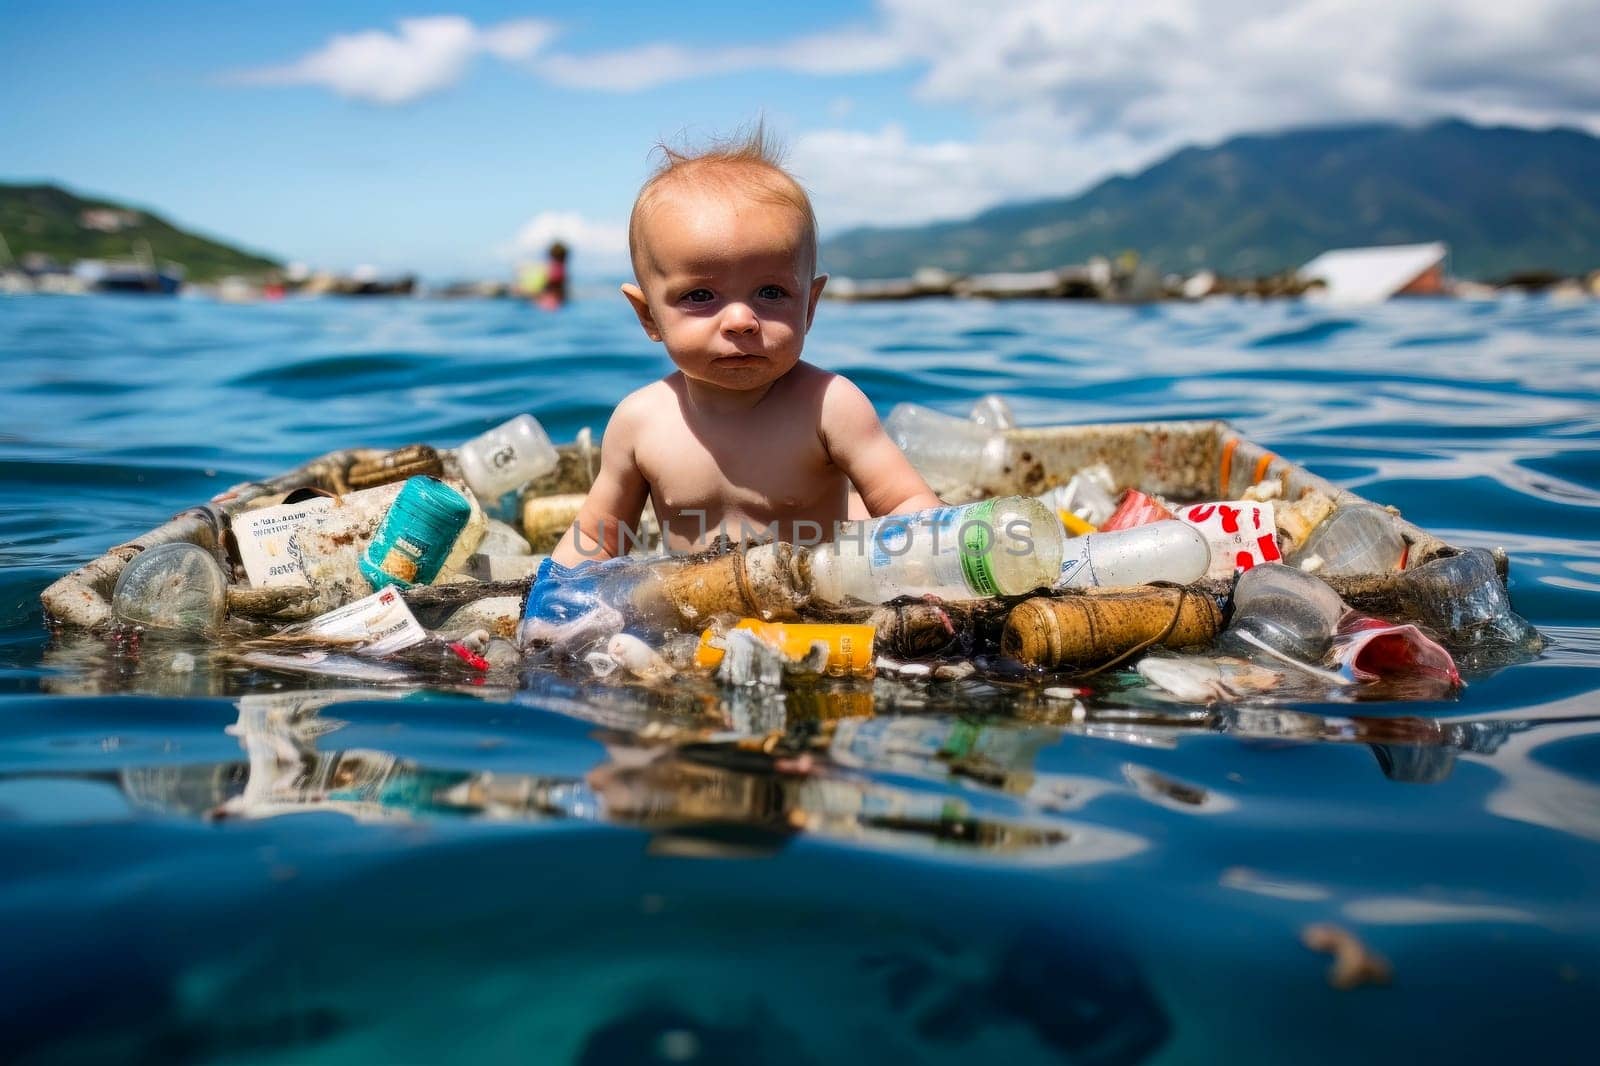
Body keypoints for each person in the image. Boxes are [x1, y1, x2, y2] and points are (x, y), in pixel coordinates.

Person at [551, 131, 939, 566]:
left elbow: (908, 504)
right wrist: (553, 602)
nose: (740, 320)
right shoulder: (640, 422)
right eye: (699, 296)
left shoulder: (830, 406)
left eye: (771, 293)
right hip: (696, 610)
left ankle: (854, 514)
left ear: (809, 306)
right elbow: (598, 539)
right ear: (648, 317)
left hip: (817, 607)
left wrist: (931, 566)